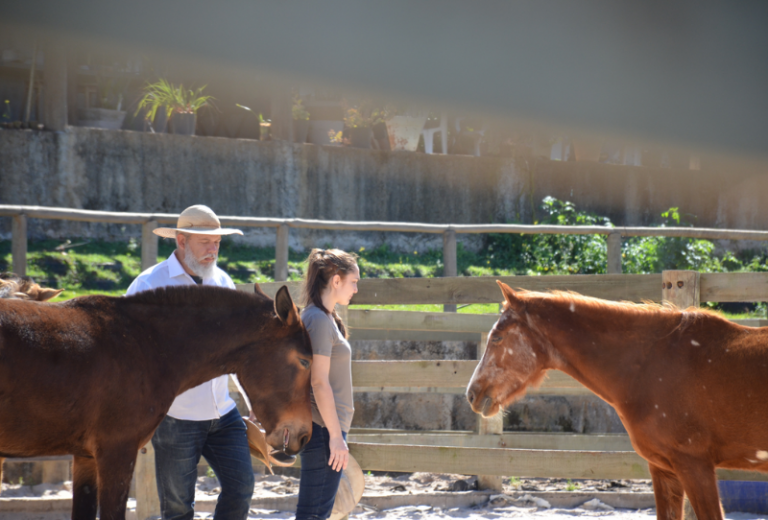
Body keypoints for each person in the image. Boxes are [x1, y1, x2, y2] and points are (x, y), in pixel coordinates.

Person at [126, 204, 255, 520]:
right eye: (205, 242)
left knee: (242, 489)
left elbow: (238, 353)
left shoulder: (223, 283)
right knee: (178, 508)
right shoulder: (148, 286)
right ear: (181, 241)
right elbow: (126, 353)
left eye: (217, 243)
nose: (213, 250)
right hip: (175, 418)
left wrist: (252, 404)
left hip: (224, 414)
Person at [296, 248, 360, 520]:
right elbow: (318, 383)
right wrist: (335, 437)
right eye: (353, 282)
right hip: (324, 430)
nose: (356, 289)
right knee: (314, 514)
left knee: (317, 511)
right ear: (336, 280)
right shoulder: (319, 321)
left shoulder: (324, 318)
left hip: (327, 428)